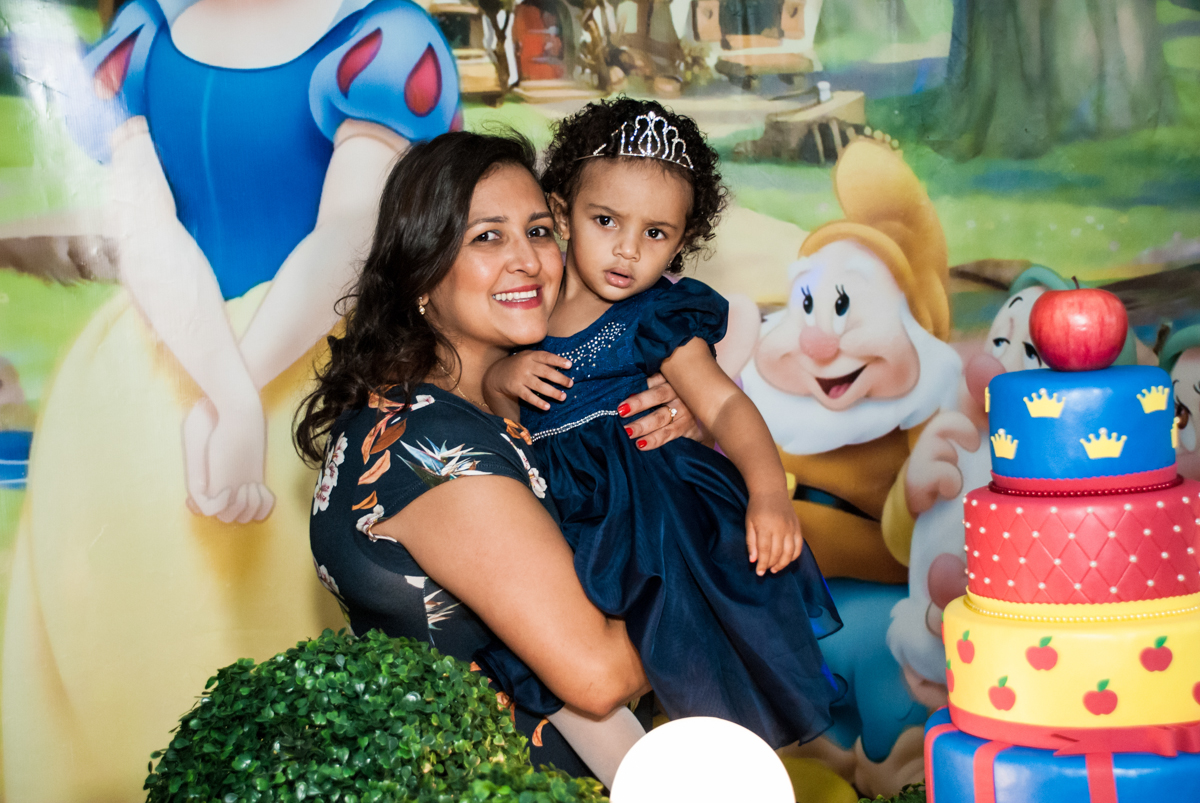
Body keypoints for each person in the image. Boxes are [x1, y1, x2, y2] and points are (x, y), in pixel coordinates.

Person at [3, 2, 461, 800]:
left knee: (289, 646)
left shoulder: (379, 37)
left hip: (313, 380)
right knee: (118, 653)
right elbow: (144, 225)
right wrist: (231, 397)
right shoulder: (148, 28)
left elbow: (349, 233)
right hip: (154, 379)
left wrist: (233, 392)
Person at [300, 131, 706, 785]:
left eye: (539, 232)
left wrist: (676, 435)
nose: (529, 261)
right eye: (488, 237)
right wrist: (727, 584)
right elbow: (597, 675)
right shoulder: (432, 446)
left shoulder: (483, 407)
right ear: (423, 270)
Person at [478, 98, 843, 753]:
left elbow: (723, 406)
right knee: (573, 673)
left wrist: (768, 493)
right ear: (561, 212)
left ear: (683, 241)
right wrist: (502, 382)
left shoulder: (656, 317)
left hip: (659, 527)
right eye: (606, 221)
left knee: (699, 686)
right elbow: (511, 442)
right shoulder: (519, 317)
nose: (627, 249)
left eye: (656, 233)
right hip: (566, 527)